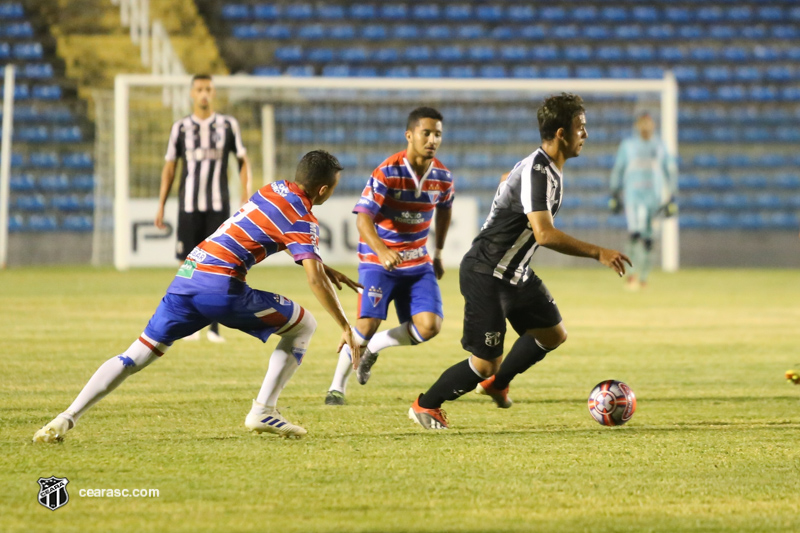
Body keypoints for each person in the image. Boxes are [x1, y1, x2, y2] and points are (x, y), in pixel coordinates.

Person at [34, 151, 361, 442]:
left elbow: (278, 239)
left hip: (188, 277)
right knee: (304, 326)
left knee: (137, 354)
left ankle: (67, 417)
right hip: (221, 286)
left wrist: (322, 266)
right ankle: (264, 409)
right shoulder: (303, 217)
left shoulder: (273, 189)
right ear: (323, 190)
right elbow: (313, 279)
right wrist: (345, 327)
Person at [408, 93, 632, 430]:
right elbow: (543, 234)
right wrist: (598, 252)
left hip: (514, 272)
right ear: (560, 133)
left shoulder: (542, 167)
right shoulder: (539, 170)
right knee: (485, 363)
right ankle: (425, 405)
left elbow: (507, 181)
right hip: (487, 272)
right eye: (580, 128)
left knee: (552, 333)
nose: (585, 134)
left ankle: (497, 384)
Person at [324, 107, 454, 405]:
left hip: (418, 262)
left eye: (438, 134)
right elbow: (362, 219)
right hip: (378, 262)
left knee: (429, 326)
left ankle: (374, 350)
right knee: (366, 325)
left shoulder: (443, 177)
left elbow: (445, 210)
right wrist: (382, 251)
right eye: (426, 133)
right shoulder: (387, 172)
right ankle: (336, 387)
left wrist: (439, 252)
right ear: (409, 135)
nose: (432, 139)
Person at [155, 74, 252, 342]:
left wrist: (246, 194)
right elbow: (170, 167)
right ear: (191, 93)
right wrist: (161, 204)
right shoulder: (181, 128)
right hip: (188, 206)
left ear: (214, 92)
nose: (204, 94)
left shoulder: (227, 125)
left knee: (218, 264)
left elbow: (243, 160)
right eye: (199, 89)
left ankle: (213, 328)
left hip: (218, 207)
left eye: (208, 89)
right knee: (186, 264)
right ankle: (186, 323)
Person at [609, 111, 677, 290]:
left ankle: (644, 278)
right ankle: (631, 276)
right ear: (637, 126)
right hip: (634, 198)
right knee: (635, 234)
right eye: (643, 123)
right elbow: (619, 169)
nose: (646, 127)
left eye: (649, 123)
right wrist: (615, 192)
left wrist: (672, 196)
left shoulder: (660, 146)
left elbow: (670, 171)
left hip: (654, 199)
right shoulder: (629, 146)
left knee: (649, 239)